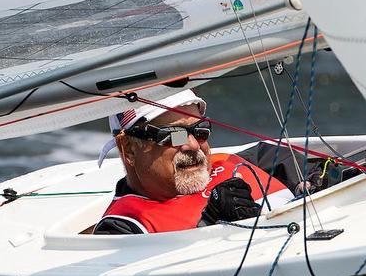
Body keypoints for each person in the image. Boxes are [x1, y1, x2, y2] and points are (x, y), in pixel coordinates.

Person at [93, 89, 292, 235]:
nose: (194, 145)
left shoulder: (253, 159)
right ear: (128, 148)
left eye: (200, 131)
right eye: (174, 135)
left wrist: (313, 180)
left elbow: (313, 172)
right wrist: (210, 225)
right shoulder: (121, 229)